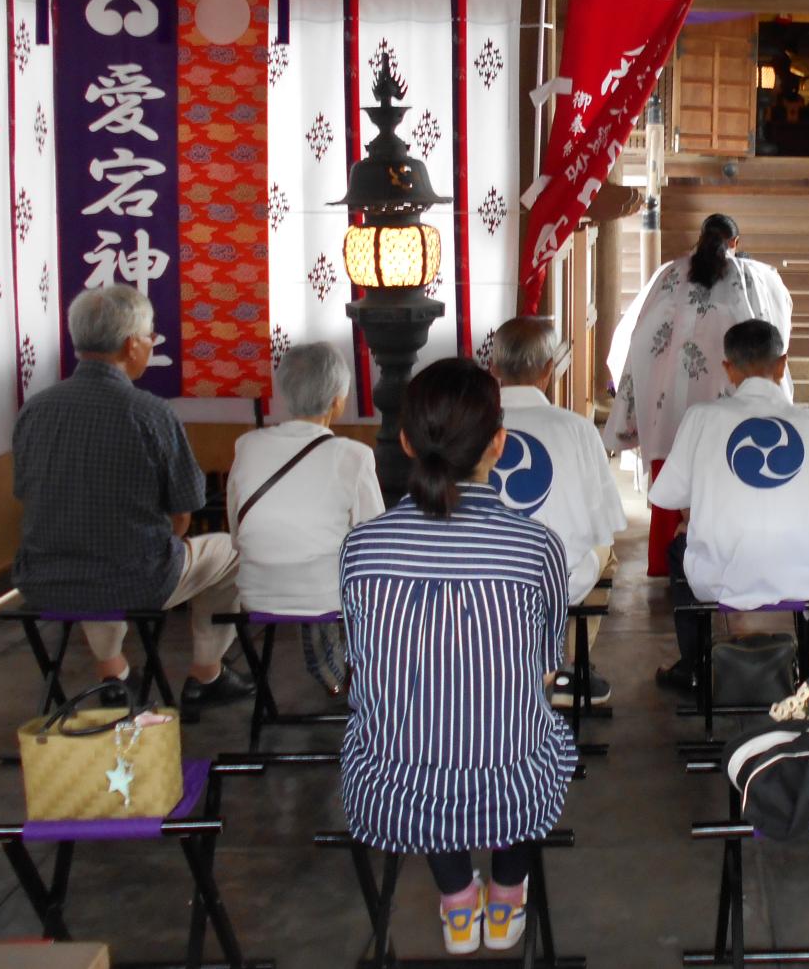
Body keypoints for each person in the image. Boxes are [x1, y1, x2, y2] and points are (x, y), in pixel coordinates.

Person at [339, 359, 576, 957]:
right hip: (511, 790)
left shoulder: (362, 549)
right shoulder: (535, 548)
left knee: (419, 722)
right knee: (529, 727)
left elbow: (366, 664)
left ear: (405, 442)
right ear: (499, 443)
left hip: (393, 790)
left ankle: (456, 900)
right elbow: (547, 665)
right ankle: (506, 897)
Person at [12, 286, 251, 711]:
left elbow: (26, 493)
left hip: (43, 578)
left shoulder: (36, 409)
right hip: (134, 578)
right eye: (151, 336)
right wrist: (167, 540)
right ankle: (207, 673)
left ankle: (113, 672)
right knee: (232, 551)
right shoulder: (149, 413)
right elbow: (184, 509)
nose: (151, 345)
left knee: (94, 543)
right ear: (130, 345)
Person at [650, 320, 809, 691]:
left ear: (728, 368)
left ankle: (692, 667)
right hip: (802, 575)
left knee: (679, 549)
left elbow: (666, 497)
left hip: (717, 574)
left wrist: (695, 516)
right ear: (782, 365)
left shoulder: (702, 418)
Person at [605, 213, 794, 577]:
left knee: (670, 485)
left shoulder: (670, 274)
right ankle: (731, 568)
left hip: (671, 403)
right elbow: (777, 328)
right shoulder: (753, 277)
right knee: (731, 478)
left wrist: (640, 393)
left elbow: (640, 335)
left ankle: (663, 565)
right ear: (735, 243)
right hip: (730, 396)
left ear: (700, 238)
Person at [225, 342, 383, 693]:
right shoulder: (353, 455)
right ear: (338, 401)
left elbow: (237, 536)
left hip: (256, 591)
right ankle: (355, 675)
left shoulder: (247, 445)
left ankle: (333, 668)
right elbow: (374, 544)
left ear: (283, 393)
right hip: (325, 596)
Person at [488, 317, 626, 709]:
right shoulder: (577, 429)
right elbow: (608, 519)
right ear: (550, 370)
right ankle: (566, 665)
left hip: (479, 583)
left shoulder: (470, 423)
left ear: (494, 367)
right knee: (606, 548)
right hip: (555, 585)